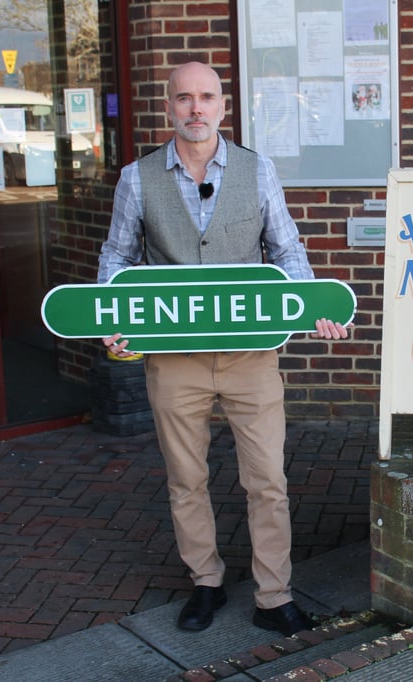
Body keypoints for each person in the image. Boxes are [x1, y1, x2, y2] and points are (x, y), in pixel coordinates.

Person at [97, 62, 349, 636]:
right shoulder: (137, 178)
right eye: (184, 98)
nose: (196, 109)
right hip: (174, 356)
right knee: (186, 477)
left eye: (206, 97)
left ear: (223, 107)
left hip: (249, 356)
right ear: (169, 107)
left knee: (267, 479)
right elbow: (116, 256)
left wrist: (310, 305)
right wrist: (111, 312)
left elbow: (286, 248)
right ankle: (205, 582)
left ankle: (274, 595)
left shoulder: (257, 172)